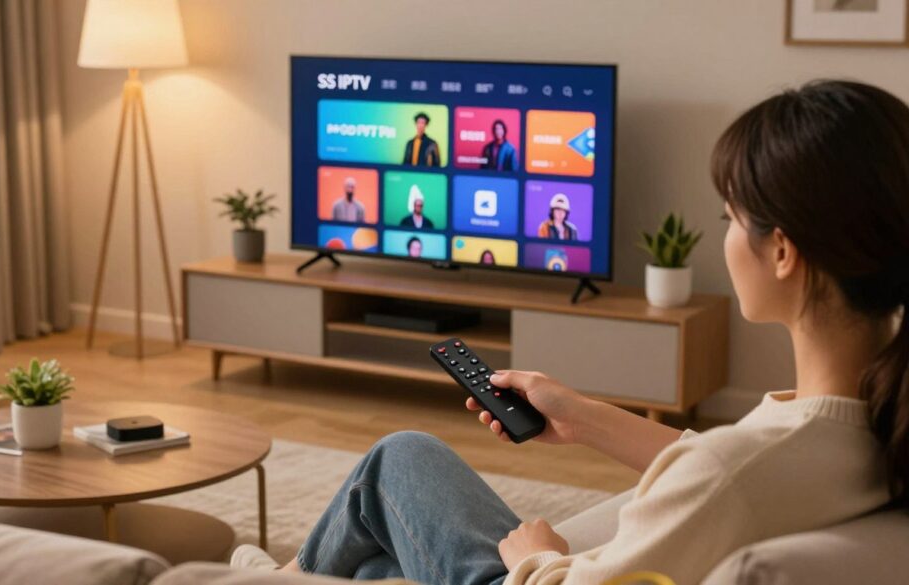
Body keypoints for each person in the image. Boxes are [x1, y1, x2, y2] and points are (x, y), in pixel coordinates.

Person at [231, 81, 906, 585]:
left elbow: (726, 477)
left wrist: (540, 557)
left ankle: (275, 580)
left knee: (398, 460)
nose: (725, 237)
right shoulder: (874, 422)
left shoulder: (735, 473)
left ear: (782, 252)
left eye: (730, 217)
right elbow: (733, 471)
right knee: (383, 562)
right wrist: (584, 416)